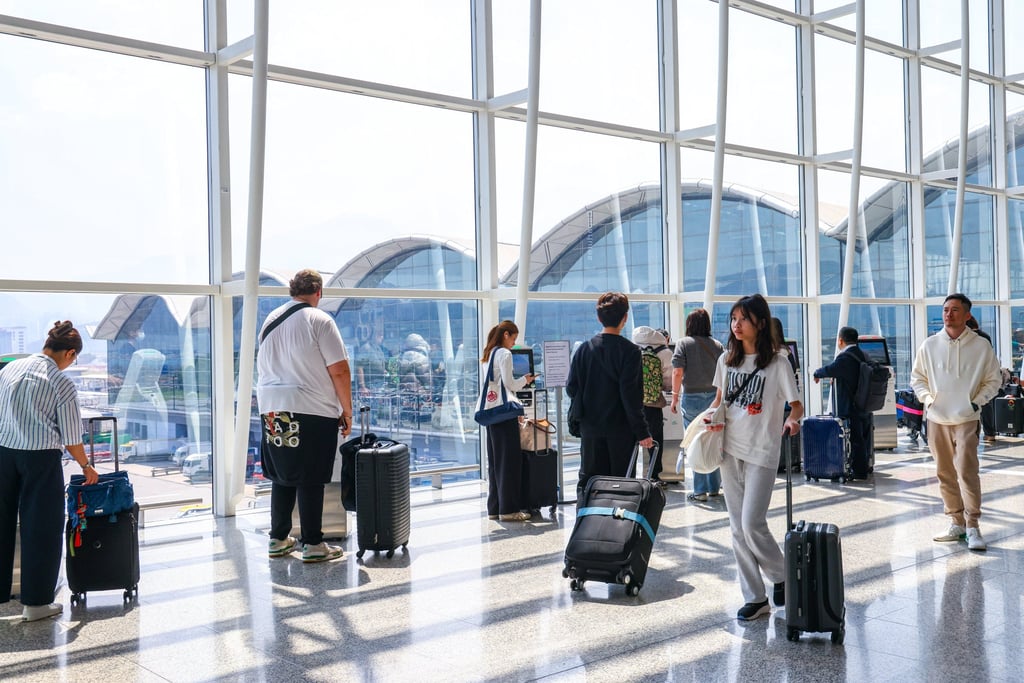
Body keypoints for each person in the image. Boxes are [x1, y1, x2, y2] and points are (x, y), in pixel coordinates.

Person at [705, 294, 803, 621]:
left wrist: (792, 420)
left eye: (743, 319)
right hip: (728, 447)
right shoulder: (725, 361)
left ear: (760, 323)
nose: (736, 324)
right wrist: (708, 418)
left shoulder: (778, 362)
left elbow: (796, 403)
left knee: (752, 523)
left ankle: (781, 574)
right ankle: (755, 596)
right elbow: (720, 400)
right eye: (733, 318)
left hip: (762, 448)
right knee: (736, 528)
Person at [0, 321, 98, 622]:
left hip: (4, 452)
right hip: (40, 459)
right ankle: (37, 603)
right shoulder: (60, 382)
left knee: (2, 523)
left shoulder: (9, 369)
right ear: (70, 353)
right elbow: (71, 437)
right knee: (41, 528)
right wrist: (86, 465)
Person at [257, 269, 353, 563]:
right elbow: (338, 369)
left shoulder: (270, 320)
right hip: (311, 407)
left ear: (292, 291)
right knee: (311, 475)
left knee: (282, 475)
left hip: (274, 407)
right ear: (318, 293)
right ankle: (312, 544)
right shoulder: (319, 319)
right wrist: (346, 409)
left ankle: (278, 538)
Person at [911, 293, 1001, 552]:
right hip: (936, 419)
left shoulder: (981, 346)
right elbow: (917, 378)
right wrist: (928, 400)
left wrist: (976, 402)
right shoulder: (929, 345)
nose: (949, 314)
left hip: (966, 418)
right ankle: (956, 522)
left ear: (967, 315)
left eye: (955, 310)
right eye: (946, 310)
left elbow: (993, 381)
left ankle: (973, 526)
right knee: (944, 473)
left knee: (966, 472)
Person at [566, 292, 654, 498]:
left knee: (590, 482)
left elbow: (572, 388)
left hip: (590, 429)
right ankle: (616, 526)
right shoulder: (630, 351)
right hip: (620, 430)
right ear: (624, 318)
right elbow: (630, 396)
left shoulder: (583, 350)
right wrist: (642, 432)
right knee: (620, 484)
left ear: (599, 318)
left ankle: (587, 525)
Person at [480, 321, 537, 522]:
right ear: (505, 334)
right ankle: (509, 510)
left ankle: (495, 508)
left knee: (496, 463)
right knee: (509, 463)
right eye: (513, 338)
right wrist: (526, 380)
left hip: (492, 413)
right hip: (505, 416)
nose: (513, 343)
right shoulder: (504, 354)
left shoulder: (488, 354)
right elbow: (509, 384)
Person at [669, 308, 725, 501]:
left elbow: (677, 372)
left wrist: (675, 396)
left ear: (689, 324)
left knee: (695, 442)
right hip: (714, 398)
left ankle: (699, 490)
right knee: (712, 441)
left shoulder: (683, 343)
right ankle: (714, 487)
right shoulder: (717, 345)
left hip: (691, 397)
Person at [811, 326, 872, 479]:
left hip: (850, 405)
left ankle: (859, 471)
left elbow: (831, 369)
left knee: (855, 439)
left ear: (840, 340)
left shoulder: (846, 357)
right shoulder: (862, 354)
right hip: (864, 403)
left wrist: (817, 373)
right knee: (862, 438)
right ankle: (862, 467)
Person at [631, 326, 672, 484]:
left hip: (632, 401)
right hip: (653, 402)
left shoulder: (631, 347)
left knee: (631, 439)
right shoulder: (664, 351)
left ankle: (630, 476)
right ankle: (655, 475)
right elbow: (668, 379)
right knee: (655, 439)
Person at [965, 317, 997, 442]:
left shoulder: (970, 338)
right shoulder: (985, 337)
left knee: (970, 405)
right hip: (985, 375)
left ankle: (972, 434)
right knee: (986, 405)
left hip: (971, 376)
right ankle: (990, 433)